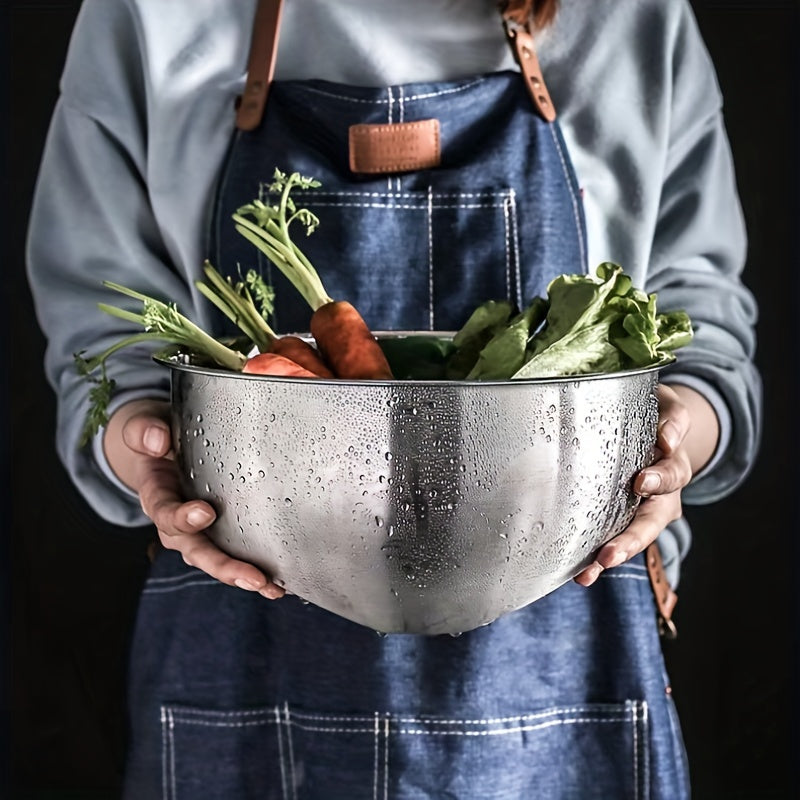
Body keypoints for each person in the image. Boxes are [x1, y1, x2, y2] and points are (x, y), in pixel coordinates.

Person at [26, 0, 761, 797]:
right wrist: (145, 450)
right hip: (244, 620)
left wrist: (674, 442)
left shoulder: (630, 17)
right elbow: (105, 339)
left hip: (569, 625)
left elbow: (701, 322)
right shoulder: (148, 15)